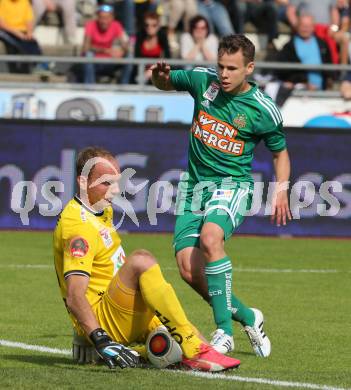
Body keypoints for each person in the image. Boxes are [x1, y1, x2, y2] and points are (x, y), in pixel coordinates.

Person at [151, 34, 291, 355]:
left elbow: (280, 152)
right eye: (221, 66)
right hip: (194, 188)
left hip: (232, 185)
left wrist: (281, 190)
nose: (224, 74)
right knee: (188, 269)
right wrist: (159, 78)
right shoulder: (204, 81)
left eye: (232, 68)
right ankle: (247, 316)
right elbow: (165, 81)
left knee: (211, 239)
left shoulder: (262, 110)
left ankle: (223, 332)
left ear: (249, 68)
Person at [53, 146, 241, 371]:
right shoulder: (78, 227)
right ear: (83, 182)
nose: (113, 191)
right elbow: (75, 295)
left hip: (120, 308)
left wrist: (83, 337)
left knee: (178, 343)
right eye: (106, 183)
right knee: (141, 260)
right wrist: (98, 338)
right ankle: (192, 349)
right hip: (107, 320)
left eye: (116, 183)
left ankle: (167, 350)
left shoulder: (100, 208)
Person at [275, 14, 333, 90]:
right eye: (303, 25)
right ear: (297, 26)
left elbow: (328, 63)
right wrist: (303, 83)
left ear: (313, 27)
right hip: (299, 92)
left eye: (309, 26)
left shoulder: (322, 43)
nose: (306, 29)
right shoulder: (289, 46)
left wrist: (329, 79)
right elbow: (283, 70)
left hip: (321, 91)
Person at [81, 4, 129, 84]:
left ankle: (124, 86)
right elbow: (85, 48)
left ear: (112, 18)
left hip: (109, 62)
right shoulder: (90, 25)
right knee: (88, 55)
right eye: (101, 18)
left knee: (129, 56)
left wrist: (122, 51)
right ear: (97, 17)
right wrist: (105, 51)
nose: (104, 21)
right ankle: (89, 88)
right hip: (94, 62)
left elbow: (126, 45)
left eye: (106, 18)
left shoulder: (116, 25)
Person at [0, 0, 44, 73]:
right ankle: (38, 64)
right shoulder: (3, 2)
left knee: (32, 41)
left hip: (22, 32)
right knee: (15, 43)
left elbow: (29, 20)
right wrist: (18, 34)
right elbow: (1, 23)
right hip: (7, 30)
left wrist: (29, 33)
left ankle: (40, 64)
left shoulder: (24, 2)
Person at [134, 11, 170, 83]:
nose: (150, 27)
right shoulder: (140, 36)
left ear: (159, 26)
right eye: (147, 25)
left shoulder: (162, 37)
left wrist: (151, 71)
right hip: (141, 72)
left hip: (159, 73)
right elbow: (136, 58)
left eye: (154, 25)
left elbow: (167, 58)